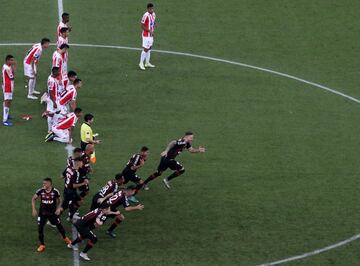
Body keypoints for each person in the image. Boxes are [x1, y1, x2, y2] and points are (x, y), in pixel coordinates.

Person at [31, 177, 72, 252]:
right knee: (40, 228)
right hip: (42, 213)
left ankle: (65, 238)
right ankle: (42, 244)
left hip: (52, 213)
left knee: (59, 226)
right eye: (43, 183)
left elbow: (60, 200)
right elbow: (33, 199)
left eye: (45, 183)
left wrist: (59, 208)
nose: (43, 185)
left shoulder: (55, 191)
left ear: (50, 184)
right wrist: (33, 209)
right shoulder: (40, 191)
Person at [139, 3, 156, 70]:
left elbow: (153, 21)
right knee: (146, 49)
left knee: (149, 48)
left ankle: (147, 63)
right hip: (146, 35)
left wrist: (155, 24)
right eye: (151, 9)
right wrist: (149, 30)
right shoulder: (145, 15)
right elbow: (142, 26)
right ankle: (141, 63)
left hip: (151, 35)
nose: (152, 10)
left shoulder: (154, 14)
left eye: (153, 8)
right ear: (148, 9)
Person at [2, 55, 16, 126]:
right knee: (7, 101)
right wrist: (14, 67)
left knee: (8, 101)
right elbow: (12, 77)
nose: (13, 61)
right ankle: (4, 120)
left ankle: (6, 115)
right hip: (8, 86)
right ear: (7, 61)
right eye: (11, 60)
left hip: (9, 86)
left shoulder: (7, 66)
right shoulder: (7, 68)